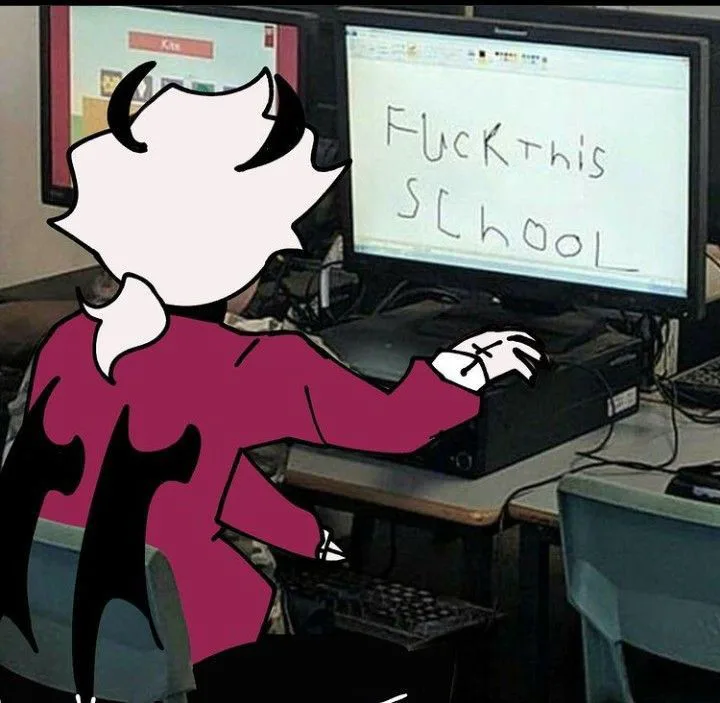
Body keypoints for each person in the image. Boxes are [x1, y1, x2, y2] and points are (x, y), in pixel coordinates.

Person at [0, 62, 544, 703]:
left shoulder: (67, 343)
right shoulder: (254, 363)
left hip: (44, 656)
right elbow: (396, 424)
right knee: (419, 678)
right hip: (199, 663)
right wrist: (466, 368)